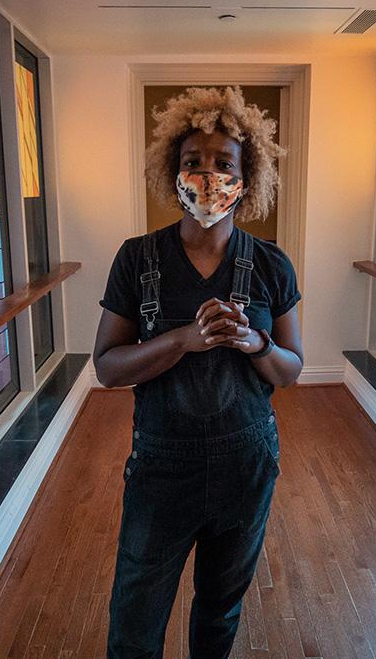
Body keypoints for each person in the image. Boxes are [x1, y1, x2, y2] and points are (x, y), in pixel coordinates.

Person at [94, 85, 304, 659]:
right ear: (173, 172)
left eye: (223, 164)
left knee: (219, 611)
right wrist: (183, 340)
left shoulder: (270, 264)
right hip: (163, 466)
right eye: (193, 162)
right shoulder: (137, 259)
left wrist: (255, 340)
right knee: (135, 618)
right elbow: (107, 368)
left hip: (247, 465)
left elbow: (290, 370)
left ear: (248, 175)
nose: (208, 176)